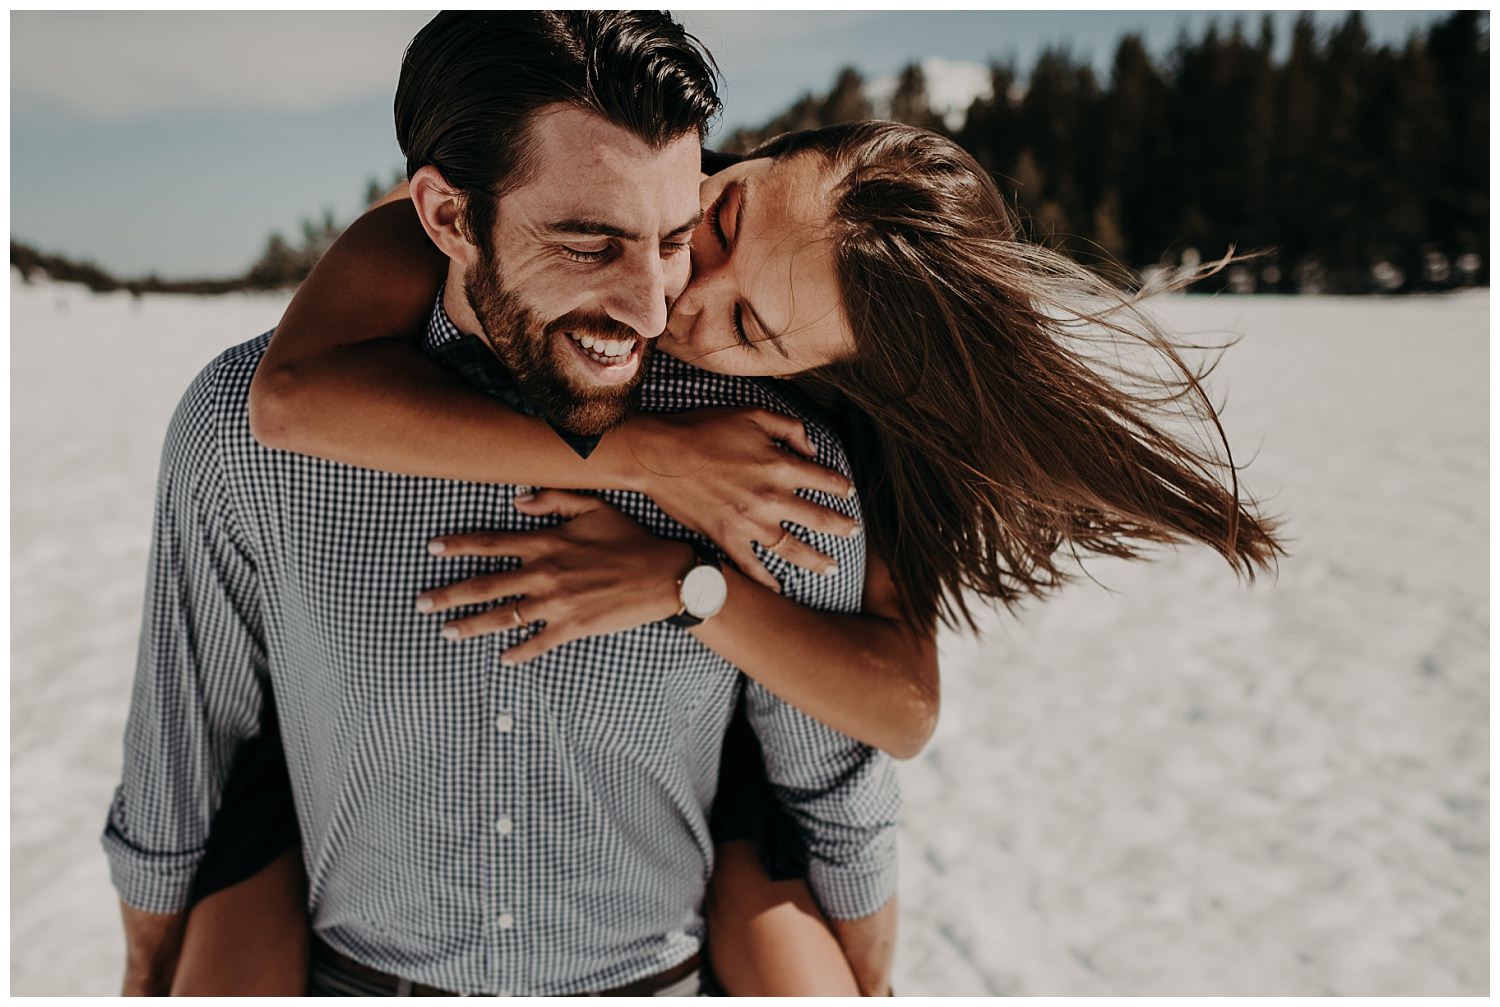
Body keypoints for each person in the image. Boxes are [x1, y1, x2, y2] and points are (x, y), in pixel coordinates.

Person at [103, 12, 905, 998]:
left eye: (672, 239)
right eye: (589, 244)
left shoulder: (768, 462)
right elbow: (187, 756)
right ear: (445, 216)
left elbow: (830, 780)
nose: (655, 308)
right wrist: (146, 970)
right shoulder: (245, 438)